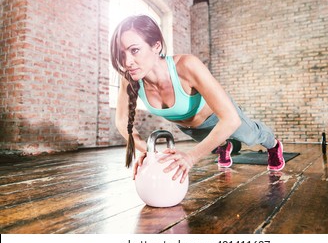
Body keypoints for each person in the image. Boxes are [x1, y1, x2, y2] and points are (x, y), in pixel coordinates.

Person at [110, 15, 285, 184]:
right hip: (190, 129)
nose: (126, 62)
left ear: (156, 46)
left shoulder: (187, 65)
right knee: (215, 142)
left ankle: (274, 145)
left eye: (134, 50)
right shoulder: (130, 79)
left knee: (251, 136)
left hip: (221, 117)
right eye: (121, 53)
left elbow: (231, 120)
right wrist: (150, 152)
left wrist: (191, 157)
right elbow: (122, 122)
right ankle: (224, 147)